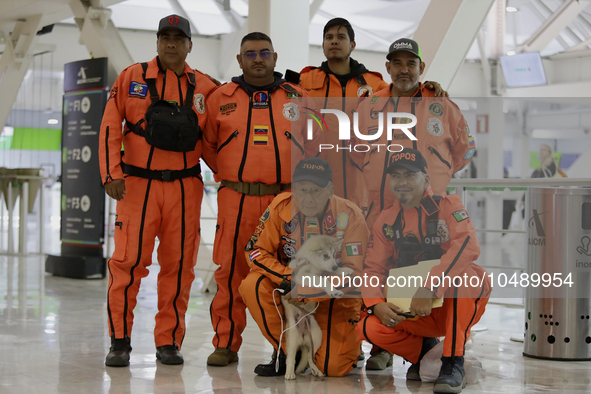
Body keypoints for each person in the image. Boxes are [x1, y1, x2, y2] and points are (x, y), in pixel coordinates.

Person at [99, 14, 217, 366]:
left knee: (179, 267)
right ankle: (119, 340)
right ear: (156, 42)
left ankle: (169, 341)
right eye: (165, 37)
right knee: (128, 264)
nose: (171, 43)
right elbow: (109, 125)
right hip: (137, 186)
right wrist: (111, 173)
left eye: (178, 38)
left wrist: (234, 178)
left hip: (185, 187)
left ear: (189, 46)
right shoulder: (130, 77)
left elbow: (216, 139)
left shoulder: (205, 88)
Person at [203, 32, 321, 366]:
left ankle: (285, 346)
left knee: (288, 273)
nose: (257, 59)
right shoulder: (220, 97)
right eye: (250, 53)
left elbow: (315, 144)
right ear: (239, 60)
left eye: (264, 53)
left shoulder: (299, 98)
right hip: (235, 198)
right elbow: (209, 146)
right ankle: (226, 343)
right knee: (230, 272)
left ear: (275, 57)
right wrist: (230, 173)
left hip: (285, 201)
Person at [357, 149, 491, 394]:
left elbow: (468, 245)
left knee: (467, 276)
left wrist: (430, 288)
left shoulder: (448, 206)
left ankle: (453, 362)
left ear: (426, 180)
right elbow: (372, 269)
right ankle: (425, 353)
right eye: (396, 176)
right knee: (366, 326)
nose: (402, 182)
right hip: (414, 312)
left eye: (410, 175)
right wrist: (376, 305)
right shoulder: (385, 221)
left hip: (451, 304)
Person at [239, 157, 369, 377]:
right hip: (291, 292)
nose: (308, 198)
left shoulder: (350, 215)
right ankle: (288, 350)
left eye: (316, 191)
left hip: (334, 299)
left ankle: (350, 345)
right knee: (253, 284)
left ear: (330, 190)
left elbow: (354, 272)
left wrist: (308, 290)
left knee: (334, 368)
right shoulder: (281, 207)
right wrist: (288, 278)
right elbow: (255, 251)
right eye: (302, 190)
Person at [300, 18, 447, 209]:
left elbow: (405, 101)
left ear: (352, 45)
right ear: (322, 45)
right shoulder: (303, 82)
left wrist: (427, 88)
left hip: (363, 188)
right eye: (329, 37)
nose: (334, 41)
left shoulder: (375, 85)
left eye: (341, 37)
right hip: (317, 183)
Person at [359, 38, 474, 232]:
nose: (404, 69)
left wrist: (441, 168)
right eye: (397, 63)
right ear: (388, 68)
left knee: (429, 262)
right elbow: (355, 150)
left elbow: (466, 149)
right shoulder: (368, 107)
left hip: (430, 211)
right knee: (378, 262)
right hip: (380, 212)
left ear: (421, 67)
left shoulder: (441, 105)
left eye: (411, 64)